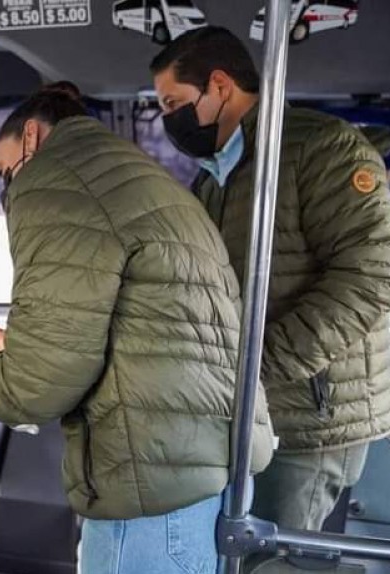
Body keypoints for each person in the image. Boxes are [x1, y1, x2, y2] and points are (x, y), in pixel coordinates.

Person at [0, 83, 275, 574]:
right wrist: (14, 348)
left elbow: (44, 380)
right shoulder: (144, 179)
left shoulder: (54, 180)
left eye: (4, 168)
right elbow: (140, 328)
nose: (7, 184)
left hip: (150, 489)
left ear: (31, 136)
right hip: (206, 471)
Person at [150, 26, 390, 531]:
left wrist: (260, 367)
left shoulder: (320, 150)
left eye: (173, 102)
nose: (168, 119)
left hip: (310, 419)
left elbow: (371, 279)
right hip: (254, 411)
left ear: (219, 86)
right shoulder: (219, 176)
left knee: (277, 573)